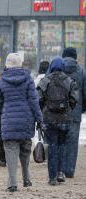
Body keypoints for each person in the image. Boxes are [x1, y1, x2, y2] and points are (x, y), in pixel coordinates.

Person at [0, 53, 43, 192]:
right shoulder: (28, 79)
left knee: (10, 151)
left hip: (8, 120)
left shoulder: (1, 81)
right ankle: (27, 178)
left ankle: (12, 182)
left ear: (7, 64)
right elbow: (34, 101)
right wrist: (39, 119)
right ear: (20, 64)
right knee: (25, 150)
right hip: (26, 120)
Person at [37, 57, 78, 185]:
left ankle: (52, 177)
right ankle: (61, 172)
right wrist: (66, 109)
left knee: (52, 146)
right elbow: (74, 100)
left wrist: (44, 110)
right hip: (64, 119)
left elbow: (38, 99)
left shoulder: (45, 81)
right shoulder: (70, 81)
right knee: (62, 145)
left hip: (49, 119)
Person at [62, 48, 86, 178]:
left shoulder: (56, 67)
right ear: (75, 57)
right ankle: (69, 170)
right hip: (75, 112)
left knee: (59, 140)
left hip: (57, 112)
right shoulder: (81, 72)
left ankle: (58, 169)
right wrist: (82, 108)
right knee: (72, 142)